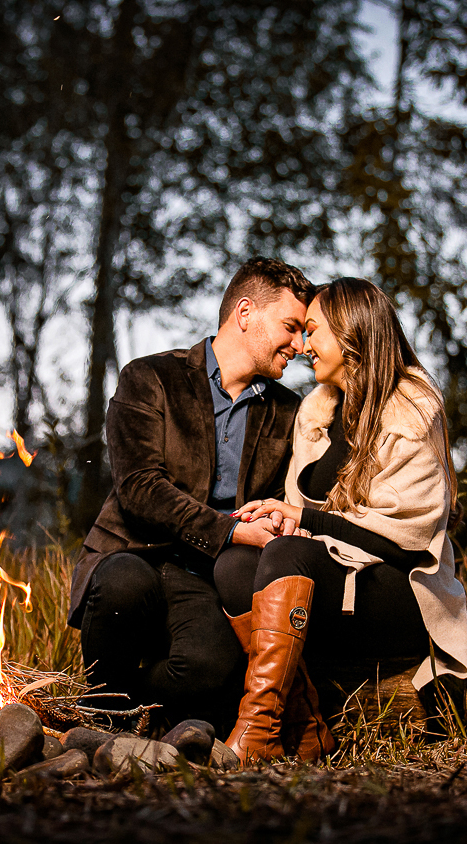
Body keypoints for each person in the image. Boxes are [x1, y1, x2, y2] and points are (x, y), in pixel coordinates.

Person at [215, 277, 467, 763]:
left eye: (312, 331)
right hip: (333, 576)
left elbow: (407, 543)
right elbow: (307, 520)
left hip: (403, 592)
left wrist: (304, 521)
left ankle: (257, 729)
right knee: (234, 564)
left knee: (288, 554)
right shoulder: (316, 412)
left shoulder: (412, 409)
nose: (303, 345)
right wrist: (279, 518)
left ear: (350, 332)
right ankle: (306, 730)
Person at [66, 257, 315, 729]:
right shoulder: (150, 378)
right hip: (132, 553)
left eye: (304, 332)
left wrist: (278, 519)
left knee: (210, 670)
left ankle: (110, 708)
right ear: (245, 313)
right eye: (291, 327)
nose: (300, 345)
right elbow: (139, 488)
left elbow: (278, 497)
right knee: (122, 584)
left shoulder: (288, 411)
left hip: (205, 576)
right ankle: (101, 725)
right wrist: (231, 532)